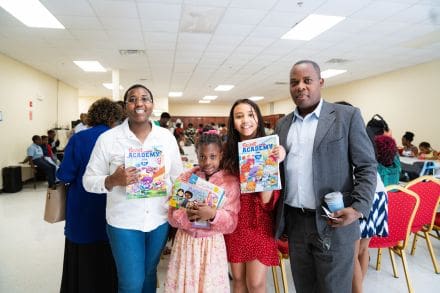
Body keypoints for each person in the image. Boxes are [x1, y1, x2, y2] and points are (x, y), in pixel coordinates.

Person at [274, 60, 377, 293]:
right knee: (304, 287)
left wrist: (358, 207)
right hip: (296, 223)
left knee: (334, 289)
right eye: (294, 82)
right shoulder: (282, 125)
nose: (300, 86)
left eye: (307, 80)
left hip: (334, 221)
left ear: (320, 82)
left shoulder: (346, 116)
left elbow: (367, 166)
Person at [83, 84, 183, 293]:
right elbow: (88, 180)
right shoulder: (108, 139)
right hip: (124, 222)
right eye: (132, 99)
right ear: (125, 106)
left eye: (145, 98)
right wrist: (113, 180)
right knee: (131, 283)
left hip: (159, 219)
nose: (139, 103)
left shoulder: (166, 137)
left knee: (149, 274)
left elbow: (177, 178)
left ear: (152, 104)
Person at [57, 98, 123, 293]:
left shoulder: (80, 138)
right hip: (112, 206)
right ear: (115, 118)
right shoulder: (118, 139)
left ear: (92, 115)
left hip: (83, 206)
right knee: (110, 257)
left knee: (83, 259)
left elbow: (65, 174)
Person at [165, 131, 241, 292]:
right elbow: (172, 216)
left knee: (209, 287)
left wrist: (213, 215)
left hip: (212, 246)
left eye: (212, 156)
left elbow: (231, 224)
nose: (207, 162)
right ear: (197, 155)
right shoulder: (185, 178)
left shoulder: (230, 182)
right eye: (202, 157)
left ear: (221, 154)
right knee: (185, 286)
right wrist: (187, 216)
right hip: (186, 243)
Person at [222, 98, 284, 292]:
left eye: (250, 114)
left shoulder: (270, 148)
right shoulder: (228, 153)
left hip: (260, 223)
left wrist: (270, 165)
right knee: (238, 280)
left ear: (258, 117)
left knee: (255, 283)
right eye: (239, 116)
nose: (245, 120)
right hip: (234, 223)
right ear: (233, 122)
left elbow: (267, 202)